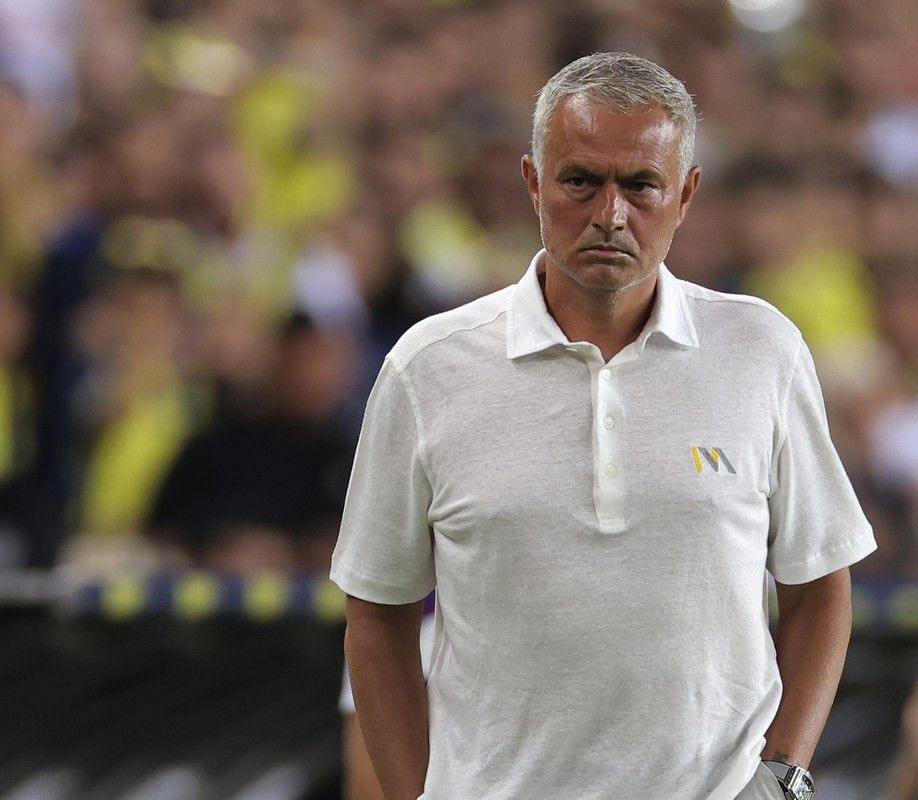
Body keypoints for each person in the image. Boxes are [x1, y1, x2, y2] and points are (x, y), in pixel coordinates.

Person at [330, 52, 876, 800]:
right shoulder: (427, 368)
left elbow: (821, 583)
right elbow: (375, 615)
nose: (610, 214)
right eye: (580, 181)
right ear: (533, 183)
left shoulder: (762, 350)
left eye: (641, 185)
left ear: (686, 194)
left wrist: (783, 777)